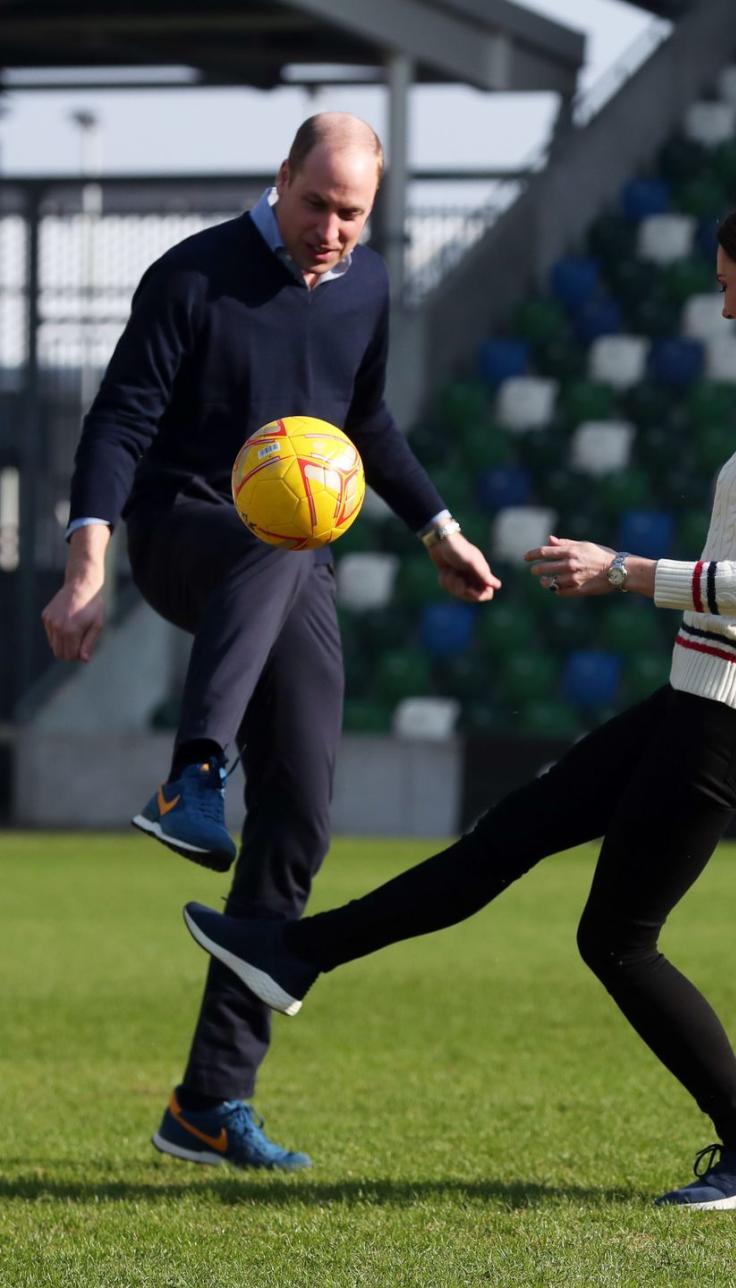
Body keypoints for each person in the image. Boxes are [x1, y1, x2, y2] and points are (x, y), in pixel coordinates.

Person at [178, 190, 736, 1207]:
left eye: (728, 290)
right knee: (515, 831)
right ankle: (295, 953)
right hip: (719, 694)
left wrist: (622, 569)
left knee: (616, 939)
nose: (725, 312)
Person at [41, 113, 499, 1170]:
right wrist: (86, 566)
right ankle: (192, 774)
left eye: (355, 213)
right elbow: (117, 421)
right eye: (318, 203)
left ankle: (208, 1102)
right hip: (182, 529)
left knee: (299, 818)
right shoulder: (192, 275)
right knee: (285, 523)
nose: (334, 229)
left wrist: (439, 527)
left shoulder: (369, 287)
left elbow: (367, 422)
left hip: (294, 553)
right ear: (281, 176)